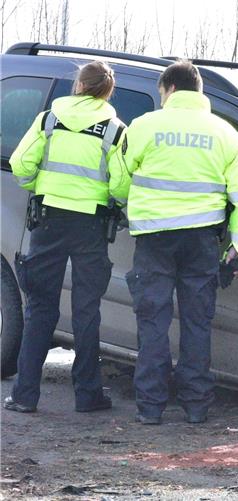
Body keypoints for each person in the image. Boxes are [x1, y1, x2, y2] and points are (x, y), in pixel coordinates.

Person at [113, 61, 238, 425]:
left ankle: (151, 406)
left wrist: (128, 202)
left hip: (154, 239)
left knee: (153, 322)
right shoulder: (225, 133)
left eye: (161, 93)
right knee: (196, 323)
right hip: (202, 241)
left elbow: (119, 181)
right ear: (199, 90)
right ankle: (195, 405)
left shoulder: (143, 127)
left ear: (170, 89)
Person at [5, 61, 126, 414]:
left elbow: (21, 164)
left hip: (49, 220)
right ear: (107, 90)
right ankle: (88, 396)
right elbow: (121, 186)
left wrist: (40, 187)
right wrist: (106, 198)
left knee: (40, 309)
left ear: (79, 85)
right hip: (91, 225)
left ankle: (25, 396)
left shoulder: (48, 120)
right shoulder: (115, 130)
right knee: (87, 310)